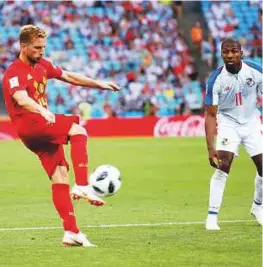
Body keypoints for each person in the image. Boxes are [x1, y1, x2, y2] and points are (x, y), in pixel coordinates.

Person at [2, 25, 120, 246]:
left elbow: (68, 76)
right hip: (33, 123)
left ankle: (71, 232)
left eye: (44, 47)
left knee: (60, 174)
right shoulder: (13, 72)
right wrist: (43, 110)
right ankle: (83, 185)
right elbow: (21, 98)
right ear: (23, 46)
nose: (41, 52)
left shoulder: (43, 65)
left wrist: (99, 84)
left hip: (37, 132)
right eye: (37, 48)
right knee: (78, 130)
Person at [204, 38, 262, 230]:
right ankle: (212, 216)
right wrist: (210, 148)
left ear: (241, 53)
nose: (230, 55)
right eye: (226, 51)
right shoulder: (215, 80)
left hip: (252, 121)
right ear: (221, 54)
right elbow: (211, 115)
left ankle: (258, 206)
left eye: (234, 51)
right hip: (228, 122)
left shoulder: (256, 71)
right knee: (224, 164)